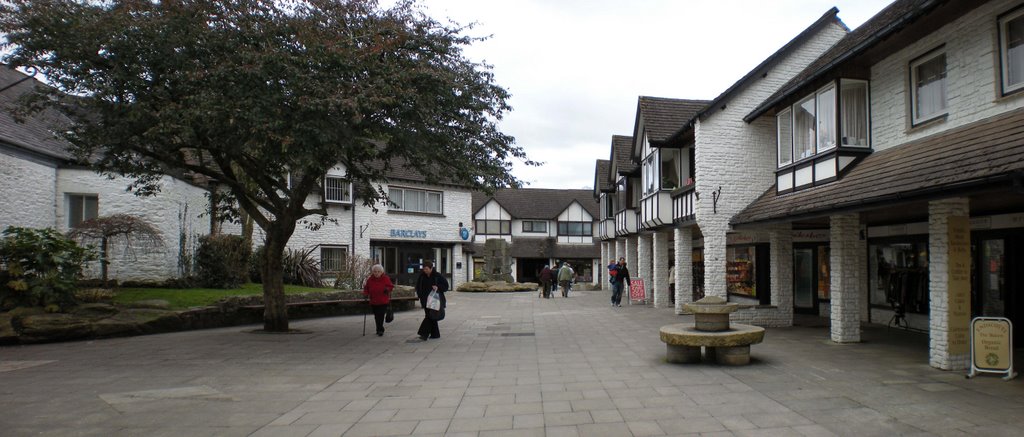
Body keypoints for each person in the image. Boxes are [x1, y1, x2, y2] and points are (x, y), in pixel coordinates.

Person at [415, 261, 449, 340]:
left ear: (431, 268)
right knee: (431, 316)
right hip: (425, 300)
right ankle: (435, 334)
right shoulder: (422, 276)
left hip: (435, 300)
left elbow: (446, 286)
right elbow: (418, 286)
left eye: (427, 269)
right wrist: (420, 295)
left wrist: (437, 287)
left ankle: (424, 334)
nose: (425, 271)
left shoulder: (437, 276)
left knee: (429, 316)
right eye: (424, 269)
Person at [362, 264, 393, 336]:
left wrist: (387, 289)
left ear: (382, 272)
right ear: (373, 272)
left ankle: (380, 330)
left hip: (383, 301)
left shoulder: (385, 278)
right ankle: (379, 328)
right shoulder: (370, 279)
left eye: (378, 271)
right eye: (375, 271)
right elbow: (366, 288)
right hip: (374, 301)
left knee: (381, 315)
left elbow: (391, 286)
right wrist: (366, 294)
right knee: (376, 316)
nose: (376, 273)